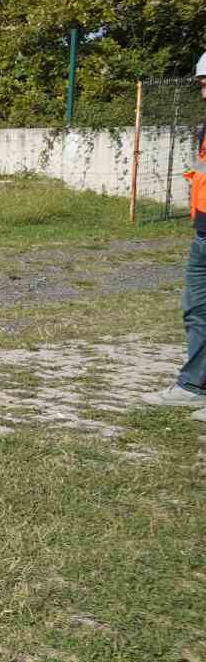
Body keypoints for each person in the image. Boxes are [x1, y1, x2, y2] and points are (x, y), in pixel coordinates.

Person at [142, 51, 206, 418]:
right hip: (203, 232)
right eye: (201, 84)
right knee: (197, 311)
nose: (203, 93)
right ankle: (194, 386)